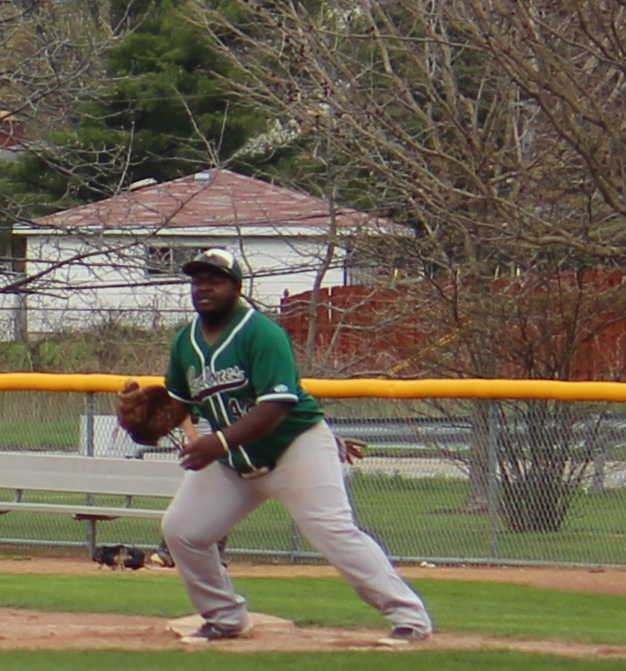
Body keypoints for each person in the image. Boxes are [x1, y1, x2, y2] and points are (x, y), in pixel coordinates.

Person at [139, 250, 432, 644]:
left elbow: (276, 405)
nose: (203, 287)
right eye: (197, 280)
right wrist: (144, 427)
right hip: (234, 459)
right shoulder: (185, 342)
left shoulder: (261, 334)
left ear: (237, 288)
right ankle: (225, 617)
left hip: (295, 448)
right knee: (183, 530)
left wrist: (217, 442)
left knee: (334, 532)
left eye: (215, 280)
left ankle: (409, 618)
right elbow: (179, 404)